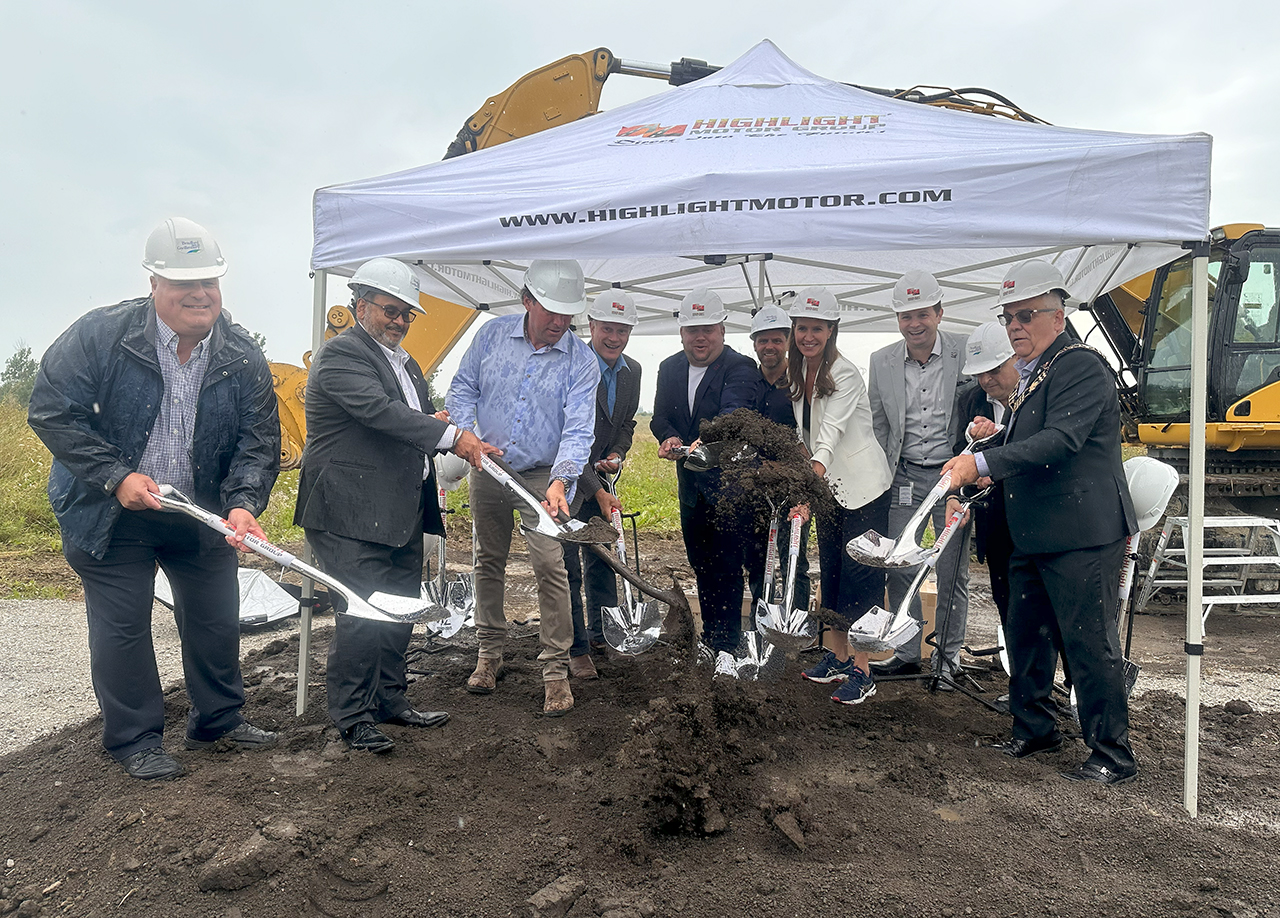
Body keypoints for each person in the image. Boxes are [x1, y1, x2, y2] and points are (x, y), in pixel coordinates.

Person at [27, 217, 280, 780]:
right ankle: (135, 738)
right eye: (183, 282)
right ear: (153, 284)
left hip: (200, 513)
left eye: (210, 280)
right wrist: (116, 476)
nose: (200, 293)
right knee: (124, 627)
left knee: (216, 617)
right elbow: (51, 412)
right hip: (110, 512)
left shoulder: (241, 355)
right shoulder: (101, 336)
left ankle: (218, 720)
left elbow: (257, 440)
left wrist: (242, 503)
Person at [942, 259, 1139, 785]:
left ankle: (1111, 752)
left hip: (1081, 532)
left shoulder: (1079, 365)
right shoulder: (1037, 375)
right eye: (1009, 317)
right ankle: (1033, 728)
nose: (1015, 327)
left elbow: (1061, 442)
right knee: (1025, 635)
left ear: (1059, 315)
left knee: (1088, 641)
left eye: (1026, 316)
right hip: (1035, 531)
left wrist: (981, 463)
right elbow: (1032, 440)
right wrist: (995, 441)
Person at [295, 257, 496, 753]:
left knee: (399, 609)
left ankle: (390, 700)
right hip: (348, 510)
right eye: (391, 310)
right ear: (361, 305)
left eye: (408, 313)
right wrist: (451, 435)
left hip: (398, 507)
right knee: (363, 612)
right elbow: (379, 414)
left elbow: (410, 419)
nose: (400, 321)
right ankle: (353, 716)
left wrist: (437, 420)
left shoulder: (404, 363)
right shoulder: (342, 355)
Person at [448, 259, 600, 716]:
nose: (558, 323)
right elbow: (462, 387)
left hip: (543, 475)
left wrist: (561, 480)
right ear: (527, 300)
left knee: (551, 566)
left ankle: (554, 670)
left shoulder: (582, 361)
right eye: (550, 311)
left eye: (567, 314)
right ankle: (488, 654)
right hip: (488, 464)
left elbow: (578, 429)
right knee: (487, 559)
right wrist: (464, 433)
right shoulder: (492, 336)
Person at [785, 288, 894, 704]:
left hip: (864, 488)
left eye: (817, 328)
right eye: (802, 328)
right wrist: (806, 481)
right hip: (828, 487)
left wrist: (808, 481)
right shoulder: (800, 374)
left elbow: (829, 436)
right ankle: (836, 656)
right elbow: (805, 436)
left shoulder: (844, 373)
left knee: (862, 575)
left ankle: (863, 672)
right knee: (830, 569)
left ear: (832, 330)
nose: (808, 336)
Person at [867, 270, 972, 684]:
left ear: (940, 313)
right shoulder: (882, 362)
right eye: (906, 316)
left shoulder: (964, 353)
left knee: (951, 570)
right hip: (905, 476)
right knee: (900, 565)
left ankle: (947, 659)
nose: (914, 324)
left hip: (954, 478)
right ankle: (907, 651)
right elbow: (879, 426)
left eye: (922, 314)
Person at [651, 288, 762, 669]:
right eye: (692, 329)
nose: (700, 337)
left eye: (708, 329)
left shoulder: (741, 368)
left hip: (730, 489)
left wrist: (707, 436)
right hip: (692, 491)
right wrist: (668, 437)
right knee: (701, 565)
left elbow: (734, 412)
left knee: (728, 567)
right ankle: (712, 640)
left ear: (722, 330)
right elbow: (660, 416)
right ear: (681, 332)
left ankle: (729, 647)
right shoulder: (669, 368)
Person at [562, 292, 642, 678]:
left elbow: (626, 424)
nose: (614, 337)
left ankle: (604, 635)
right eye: (607, 329)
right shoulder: (570, 365)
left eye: (622, 330)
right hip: (563, 483)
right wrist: (597, 488)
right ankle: (576, 647)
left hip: (599, 480)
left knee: (603, 562)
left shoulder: (633, 372)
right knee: (566, 568)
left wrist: (617, 454)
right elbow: (566, 434)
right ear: (591, 326)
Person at [948, 322, 1018, 630]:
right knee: (1008, 607)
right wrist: (955, 494)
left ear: (1017, 358)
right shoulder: (971, 400)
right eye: (979, 373)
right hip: (997, 524)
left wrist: (992, 466)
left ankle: (1071, 679)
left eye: (994, 370)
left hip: (1041, 525)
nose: (986, 380)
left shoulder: (1039, 397)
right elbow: (959, 452)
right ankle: (1020, 676)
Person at [746, 303, 810, 615]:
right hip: (754, 486)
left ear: (787, 342)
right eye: (763, 340)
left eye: (776, 340)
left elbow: (811, 441)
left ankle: (794, 626)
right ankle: (763, 621)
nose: (769, 347)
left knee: (793, 557)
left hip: (793, 486)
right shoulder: (746, 383)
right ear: (754, 343)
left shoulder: (800, 382)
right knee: (757, 559)